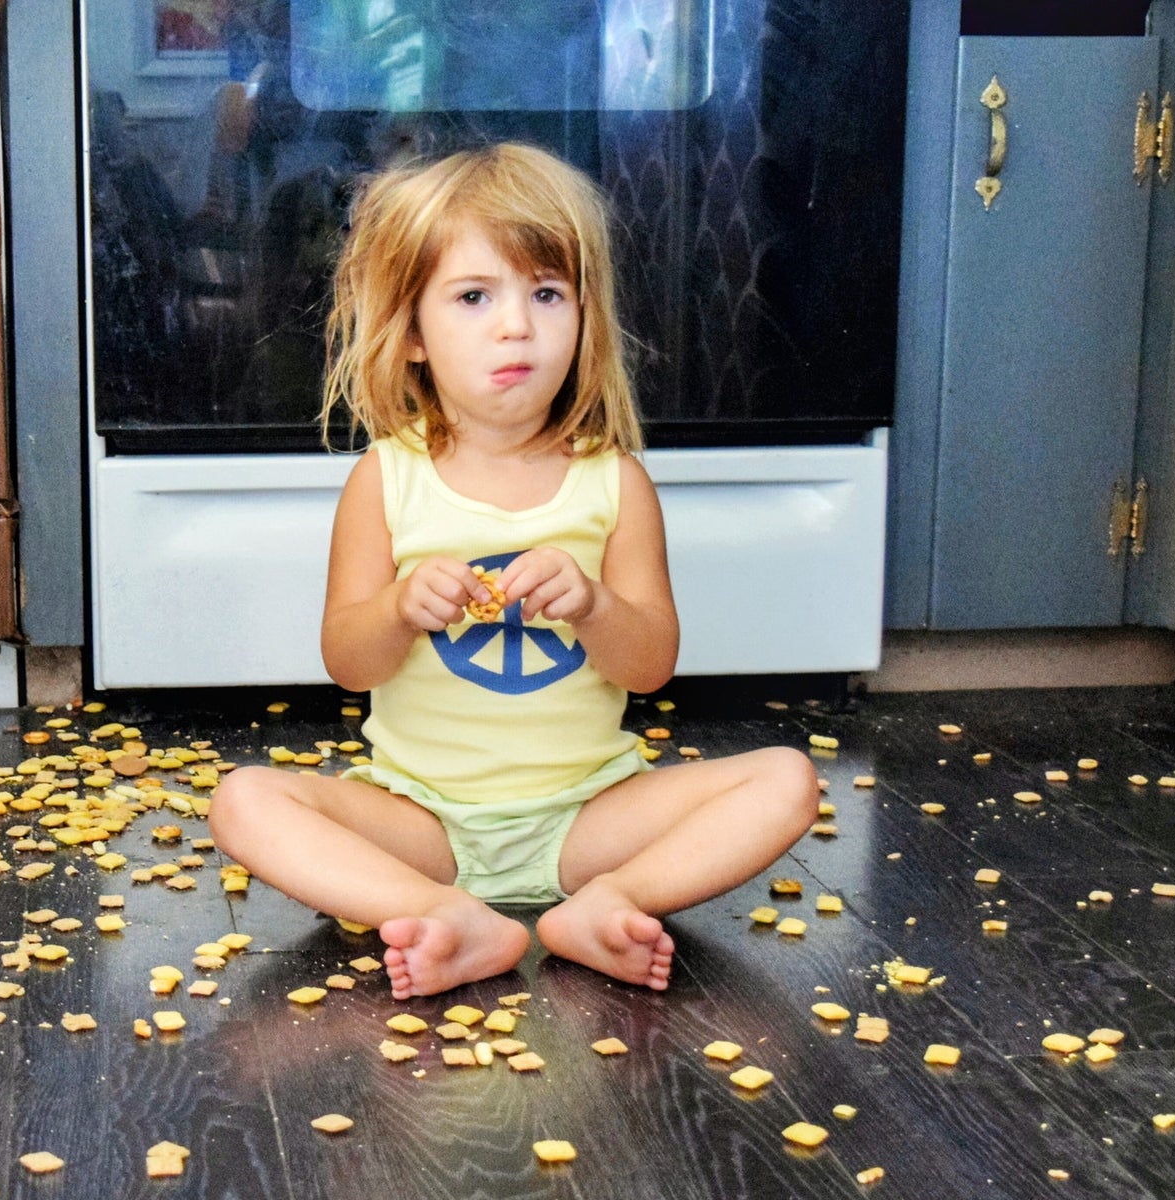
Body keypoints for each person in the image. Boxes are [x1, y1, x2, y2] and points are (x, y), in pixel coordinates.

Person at [207, 144, 818, 999]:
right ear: (413, 334)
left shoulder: (615, 483)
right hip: (421, 817)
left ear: (584, 317)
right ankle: (438, 911)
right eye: (473, 297)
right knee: (243, 801)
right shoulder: (386, 478)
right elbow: (350, 662)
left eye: (546, 294)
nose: (516, 326)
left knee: (787, 781)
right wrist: (398, 608)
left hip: (587, 816)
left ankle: (607, 905)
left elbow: (649, 666)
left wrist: (596, 603)